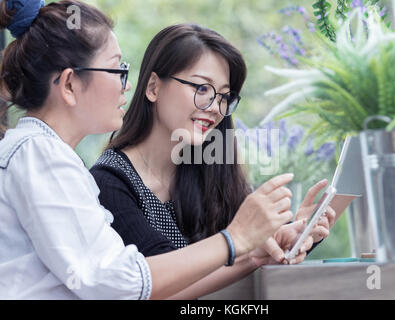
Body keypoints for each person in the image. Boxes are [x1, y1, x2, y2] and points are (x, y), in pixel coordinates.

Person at [0, 0, 308, 299]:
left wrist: (254, 251)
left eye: (224, 96)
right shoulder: (42, 157)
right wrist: (236, 239)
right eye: (116, 70)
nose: (126, 85)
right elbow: (120, 283)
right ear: (69, 84)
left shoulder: (45, 156)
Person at [90, 23, 337, 299]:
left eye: (223, 96)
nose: (214, 108)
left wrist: (291, 237)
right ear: (153, 87)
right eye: (202, 88)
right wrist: (250, 252)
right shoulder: (108, 184)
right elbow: (156, 284)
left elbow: (249, 245)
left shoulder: (211, 169)